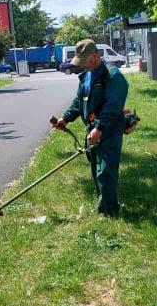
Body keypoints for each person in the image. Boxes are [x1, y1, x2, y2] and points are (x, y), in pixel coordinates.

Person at [53, 39, 128, 217]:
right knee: (95, 169)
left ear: (95, 57)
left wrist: (100, 128)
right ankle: (104, 202)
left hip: (108, 130)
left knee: (106, 171)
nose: (82, 66)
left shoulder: (113, 75)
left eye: (84, 61)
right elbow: (79, 101)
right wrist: (66, 118)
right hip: (92, 129)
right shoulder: (86, 75)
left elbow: (112, 106)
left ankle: (109, 212)